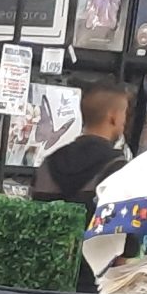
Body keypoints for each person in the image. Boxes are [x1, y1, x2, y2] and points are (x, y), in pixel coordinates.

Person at [32, 80, 132, 209]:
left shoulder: (48, 164)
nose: (125, 120)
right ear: (114, 117)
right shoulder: (117, 168)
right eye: (125, 113)